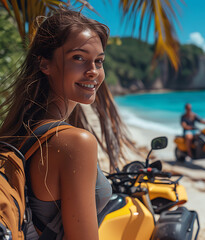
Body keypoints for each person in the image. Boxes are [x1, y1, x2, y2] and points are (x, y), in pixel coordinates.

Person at [0, 8, 133, 240]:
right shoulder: (75, 142)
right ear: (45, 64)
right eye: (78, 58)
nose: (93, 72)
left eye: (99, 61)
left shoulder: (18, 131)